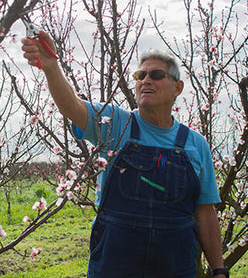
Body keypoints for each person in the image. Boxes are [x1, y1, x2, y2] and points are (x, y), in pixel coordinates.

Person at [21, 31, 229, 278]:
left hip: (175, 266)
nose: (146, 80)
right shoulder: (115, 124)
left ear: (178, 88)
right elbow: (71, 106)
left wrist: (218, 270)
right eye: (141, 75)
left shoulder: (196, 144)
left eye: (157, 75)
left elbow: (205, 212)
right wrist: (52, 66)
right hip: (115, 265)